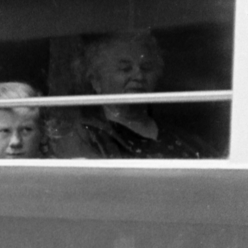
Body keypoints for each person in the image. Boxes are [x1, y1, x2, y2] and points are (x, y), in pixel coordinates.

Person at [49, 32, 209, 159]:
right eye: (125, 69)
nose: (139, 76)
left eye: (146, 68)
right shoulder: (83, 135)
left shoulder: (181, 136)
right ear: (96, 81)